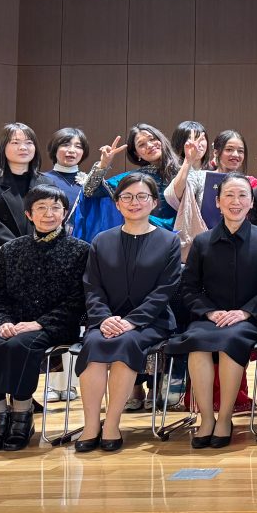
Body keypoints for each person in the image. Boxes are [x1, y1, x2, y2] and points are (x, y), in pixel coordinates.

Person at [0, 184, 90, 453]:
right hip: (14, 324)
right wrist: (3, 321)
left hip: (56, 325)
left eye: (55, 208)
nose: (49, 214)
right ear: (29, 214)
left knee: (21, 345)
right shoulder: (10, 250)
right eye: (41, 208)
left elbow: (78, 301)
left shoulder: (80, 250)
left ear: (64, 213)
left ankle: (22, 417)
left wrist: (40, 323)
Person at [170, 174, 257, 449]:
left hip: (250, 320)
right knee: (197, 343)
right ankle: (207, 417)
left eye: (242, 195)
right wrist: (210, 312)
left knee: (230, 340)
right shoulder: (202, 241)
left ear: (251, 202)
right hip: (210, 319)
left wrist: (246, 312)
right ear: (218, 202)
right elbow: (189, 288)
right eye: (229, 195)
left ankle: (225, 417)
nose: (236, 201)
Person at [74, 173, 181, 453]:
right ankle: (90, 425)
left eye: (142, 196)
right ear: (117, 203)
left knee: (125, 343)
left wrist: (132, 321)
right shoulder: (101, 240)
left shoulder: (169, 241)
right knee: (94, 344)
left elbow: (165, 290)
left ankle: (111, 424)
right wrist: (103, 318)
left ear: (154, 202)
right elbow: (92, 287)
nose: (135, 202)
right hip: (106, 320)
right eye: (127, 197)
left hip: (151, 321)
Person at [0, 123, 55, 344]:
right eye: (15, 142)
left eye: (28, 142)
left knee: (31, 330)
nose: (23, 147)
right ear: (3, 147)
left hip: (39, 263)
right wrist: (18, 251)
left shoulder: (45, 183)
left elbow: (54, 219)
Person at [83, 123, 181, 230]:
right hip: (145, 235)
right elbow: (89, 191)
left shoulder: (184, 171)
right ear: (137, 154)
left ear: (161, 140)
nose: (149, 145)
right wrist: (103, 164)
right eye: (141, 144)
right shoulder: (133, 179)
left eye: (152, 139)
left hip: (184, 234)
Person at [43, 127, 90, 214]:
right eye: (65, 145)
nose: (72, 150)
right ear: (54, 149)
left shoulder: (90, 183)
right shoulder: (41, 179)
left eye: (78, 146)